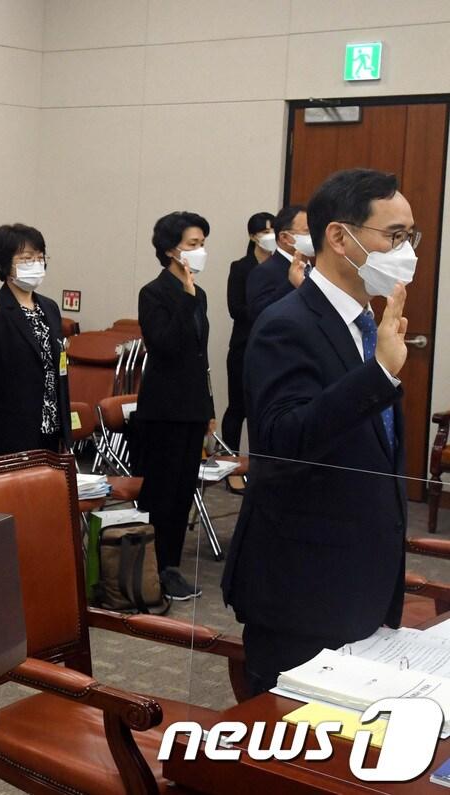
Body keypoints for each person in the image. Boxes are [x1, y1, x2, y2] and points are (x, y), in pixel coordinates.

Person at [222, 168, 413, 696]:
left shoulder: (370, 324)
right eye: (394, 236)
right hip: (302, 588)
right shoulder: (289, 322)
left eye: (410, 237)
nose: (407, 251)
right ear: (339, 237)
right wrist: (377, 376)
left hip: (361, 581)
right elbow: (281, 442)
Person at [134, 211, 214, 602]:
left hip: (192, 408)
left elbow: (200, 356)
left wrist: (210, 408)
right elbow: (164, 344)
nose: (200, 252)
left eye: (202, 244)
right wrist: (184, 299)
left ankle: (172, 567)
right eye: (193, 245)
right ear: (171, 250)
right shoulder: (154, 293)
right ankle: (153, 568)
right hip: (163, 409)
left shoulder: (199, 294)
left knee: (183, 493)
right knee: (161, 493)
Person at [0, 224, 71, 458]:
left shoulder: (49, 307)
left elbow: (57, 369)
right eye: (26, 259)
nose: (36, 264)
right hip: (8, 432)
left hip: (49, 426)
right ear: (4, 265)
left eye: (40, 258)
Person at [222, 211, 275, 456]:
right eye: (265, 232)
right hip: (244, 347)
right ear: (253, 236)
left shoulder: (282, 267)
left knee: (264, 409)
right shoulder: (241, 267)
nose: (270, 236)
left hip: (273, 348)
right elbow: (235, 309)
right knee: (237, 408)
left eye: (274, 230)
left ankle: (259, 463)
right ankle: (230, 461)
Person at [246, 204, 311, 321]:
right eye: (307, 232)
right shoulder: (264, 271)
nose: (313, 237)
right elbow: (258, 314)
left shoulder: (315, 269)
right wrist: (291, 284)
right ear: (284, 237)